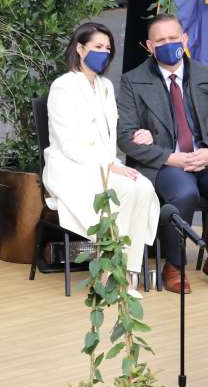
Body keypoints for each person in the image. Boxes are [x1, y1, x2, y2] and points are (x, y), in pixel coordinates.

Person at [42, 23, 160, 288]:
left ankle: (128, 272)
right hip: (71, 168)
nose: (104, 53)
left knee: (142, 186)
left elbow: (109, 136)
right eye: (97, 47)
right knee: (124, 191)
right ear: (80, 49)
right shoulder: (63, 87)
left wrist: (116, 160)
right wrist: (106, 167)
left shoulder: (105, 86)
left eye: (107, 48)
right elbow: (69, 142)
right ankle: (109, 269)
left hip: (106, 164)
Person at [117, 15, 208, 294]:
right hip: (165, 163)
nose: (169, 45)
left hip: (206, 159)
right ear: (149, 46)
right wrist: (169, 157)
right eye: (161, 41)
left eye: (174, 38)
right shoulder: (133, 81)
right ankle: (174, 266)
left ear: (185, 40)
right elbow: (125, 136)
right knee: (184, 192)